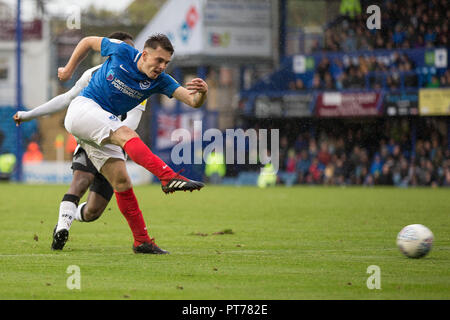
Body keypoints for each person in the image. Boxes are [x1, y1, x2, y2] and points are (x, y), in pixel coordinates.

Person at [56, 33, 208, 254]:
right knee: (125, 132)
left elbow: (193, 101)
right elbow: (88, 41)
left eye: (166, 62)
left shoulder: (161, 81)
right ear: (145, 54)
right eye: (159, 60)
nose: (162, 66)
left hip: (102, 125)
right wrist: (69, 69)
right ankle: (167, 177)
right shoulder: (121, 51)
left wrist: (203, 93)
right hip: (83, 110)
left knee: (122, 182)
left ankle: (142, 241)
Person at [14, 32, 148, 251]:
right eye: (123, 51)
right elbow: (66, 99)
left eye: (132, 52)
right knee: (81, 181)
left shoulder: (142, 84)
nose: (128, 56)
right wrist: (28, 114)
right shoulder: (93, 74)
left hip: (114, 148)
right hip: (90, 141)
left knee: (93, 212)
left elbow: (132, 121)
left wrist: (113, 135)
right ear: (110, 55)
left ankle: (70, 215)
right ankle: (62, 228)